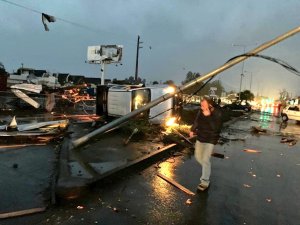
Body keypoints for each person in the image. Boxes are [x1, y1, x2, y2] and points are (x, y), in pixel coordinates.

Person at [189, 96, 223, 191]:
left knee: (205, 159)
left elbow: (215, 128)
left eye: (203, 105)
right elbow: (197, 121)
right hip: (200, 137)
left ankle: (204, 182)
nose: (201, 107)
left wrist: (208, 116)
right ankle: (206, 167)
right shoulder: (201, 111)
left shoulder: (217, 113)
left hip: (210, 139)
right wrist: (192, 129)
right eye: (201, 105)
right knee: (198, 157)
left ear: (210, 105)